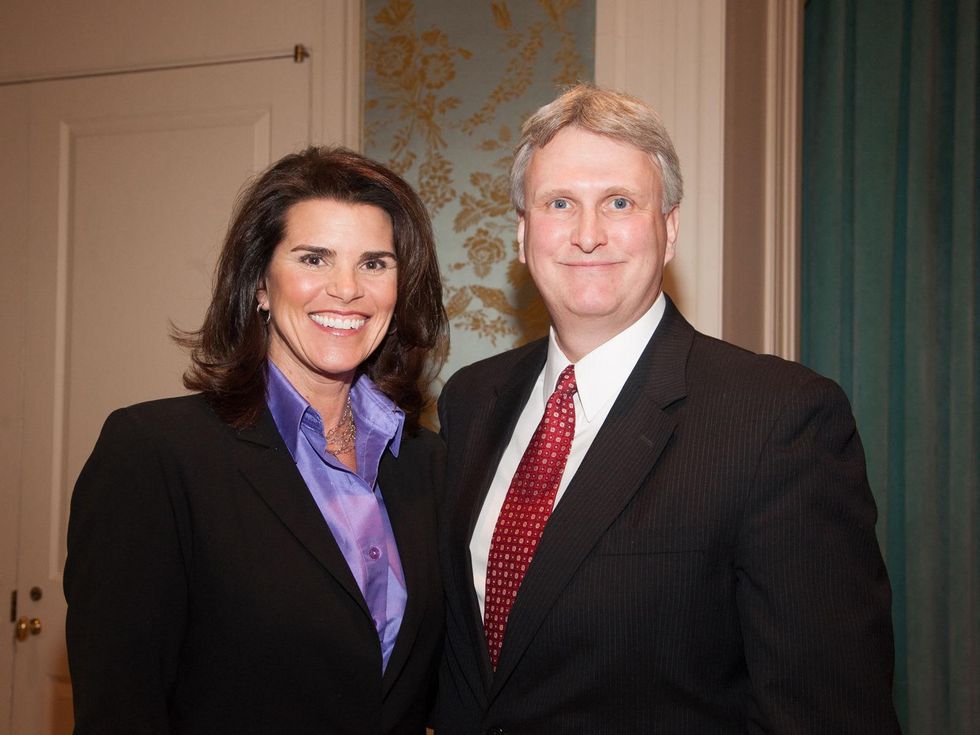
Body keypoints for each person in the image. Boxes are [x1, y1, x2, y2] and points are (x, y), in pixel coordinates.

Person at [435, 84, 900, 733]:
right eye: (559, 202)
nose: (588, 234)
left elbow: (827, 711)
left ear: (669, 227)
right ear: (522, 233)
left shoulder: (778, 419)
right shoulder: (470, 399)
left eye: (619, 202)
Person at [64, 146, 448, 735]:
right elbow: (120, 709)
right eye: (314, 258)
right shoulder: (156, 453)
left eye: (374, 263)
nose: (346, 290)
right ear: (261, 285)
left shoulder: (426, 462)